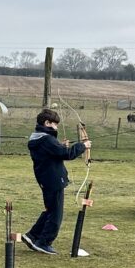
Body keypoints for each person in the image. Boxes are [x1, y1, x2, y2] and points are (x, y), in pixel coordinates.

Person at [23, 108, 90, 254]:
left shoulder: (38, 138)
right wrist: (82, 146)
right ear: (47, 123)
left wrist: (60, 145)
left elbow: (54, 152)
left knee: (50, 209)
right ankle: (44, 242)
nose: (56, 127)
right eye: (55, 124)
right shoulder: (46, 139)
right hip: (53, 179)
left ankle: (32, 235)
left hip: (46, 178)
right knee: (56, 213)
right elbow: (66, 154)